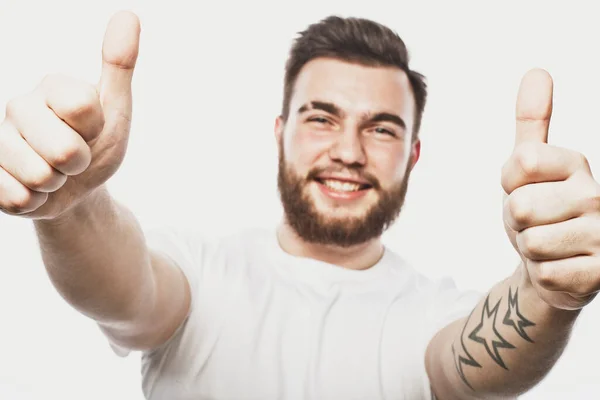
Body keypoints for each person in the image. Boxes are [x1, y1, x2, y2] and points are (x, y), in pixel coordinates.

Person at [0, 9, 597, 400]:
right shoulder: (202, 273)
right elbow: (129, 296)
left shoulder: (432, 313)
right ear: (280, 131)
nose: (348, 151)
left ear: (414, 156)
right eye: (322, 118)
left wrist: (547, 294)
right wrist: (70, 207)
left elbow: (469, 369)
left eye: (382, 129)